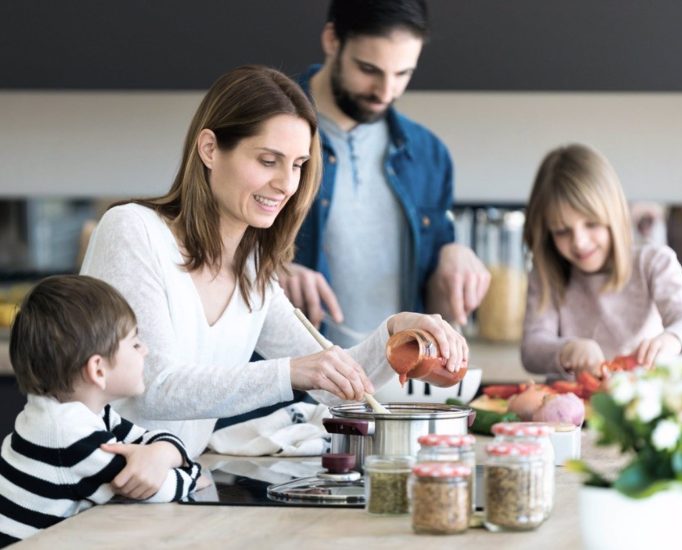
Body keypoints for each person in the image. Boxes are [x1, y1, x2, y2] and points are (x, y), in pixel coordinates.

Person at [80, 65, 469, 457]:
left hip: (168, 486)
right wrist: (290, 373)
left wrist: (396, 332)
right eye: (268, 160)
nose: (286, 184)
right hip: (88, 492)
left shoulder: (252, 270)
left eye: (298, 164)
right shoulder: (133, 231)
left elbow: (331, 384)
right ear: (210, 149)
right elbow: (151, 386)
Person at [279, 0, 491, 347]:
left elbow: (438, 307)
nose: (386, 92)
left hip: (396, 388)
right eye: (369, 69)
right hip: (295, 387)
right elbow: (208, 254)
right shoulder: (266, 129)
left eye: (403, 74)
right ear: (333, 39)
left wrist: (453, 255)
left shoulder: (429, 155)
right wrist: (266, 273)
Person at [0, 275, 203, 546]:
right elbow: (161, 488)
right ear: (98, 370)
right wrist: (189, 471)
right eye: (134, 343)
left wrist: (161, 453)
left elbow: (153, 440)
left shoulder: (82, 413)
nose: (145, 350)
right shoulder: (67, 435)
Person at [521, 144, 682, 378]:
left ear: (614, 215)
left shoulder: (654, 262)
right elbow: (531, 348)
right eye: (562, 231)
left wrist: (671, 340)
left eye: (592, 224)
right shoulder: (546, 274)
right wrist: (567, 349)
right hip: (571, 406)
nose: (580, 242)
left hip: (638, 402)